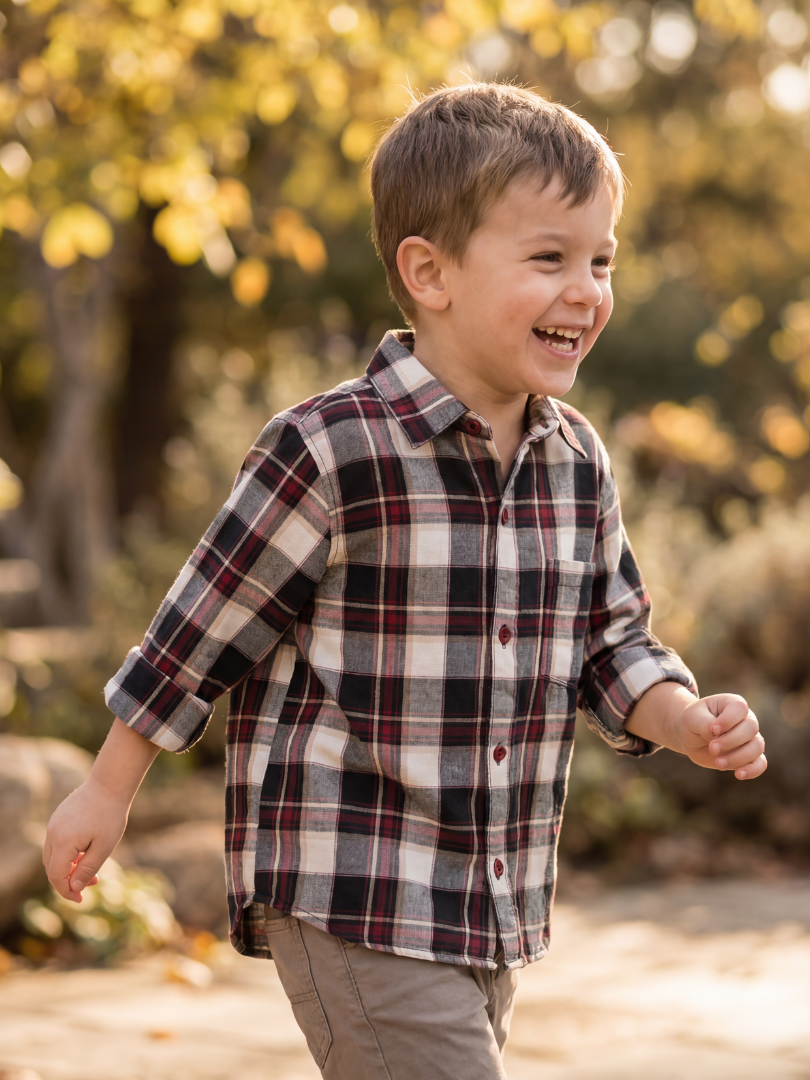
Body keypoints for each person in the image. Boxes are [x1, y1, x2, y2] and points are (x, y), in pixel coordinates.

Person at [44, 83, 767, 1079]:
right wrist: (104, 790)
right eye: (550, 257)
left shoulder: (574, 461)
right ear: (429, 273)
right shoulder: (331, 448)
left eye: (603, 260)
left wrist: (681, 716)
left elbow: (613, 643)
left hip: (490, 899)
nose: (589, 289)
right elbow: (199, 631)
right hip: (353, 882)